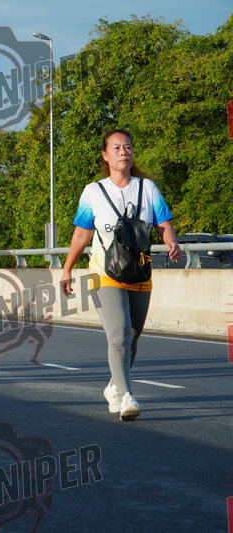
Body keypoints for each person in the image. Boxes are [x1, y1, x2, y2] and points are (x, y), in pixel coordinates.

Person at [61, 129, 181, 421]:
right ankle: (127, 396)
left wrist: (171, 241)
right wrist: (67, 269)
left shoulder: (147, 188)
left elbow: (163, 222)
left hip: (139, 271)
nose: (123, 152)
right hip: (104, 274)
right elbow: (81, 234)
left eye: (127, 147)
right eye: (116, 148)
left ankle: (115, 386)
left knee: (133, 336)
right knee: (119, 334)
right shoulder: (93, 191)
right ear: (105, 155)